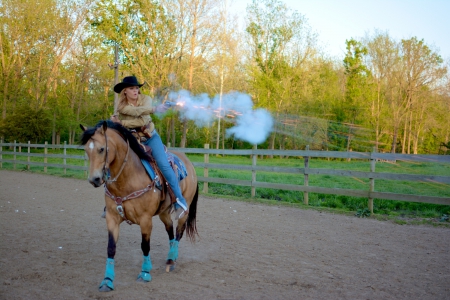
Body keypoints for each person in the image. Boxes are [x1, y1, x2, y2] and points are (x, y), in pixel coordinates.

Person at [110, 75, 188, 219]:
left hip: (150, 138)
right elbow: (134, 113)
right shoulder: (121, 106)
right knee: (117, 162)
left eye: (137, 88)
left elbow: (143, 120)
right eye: (132, 88)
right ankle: (111, 201)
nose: (135, 91)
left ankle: (179, 201)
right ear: (125, 91)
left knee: (164, 165)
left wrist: (122, 123)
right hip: (133, 140)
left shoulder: (146, 100)